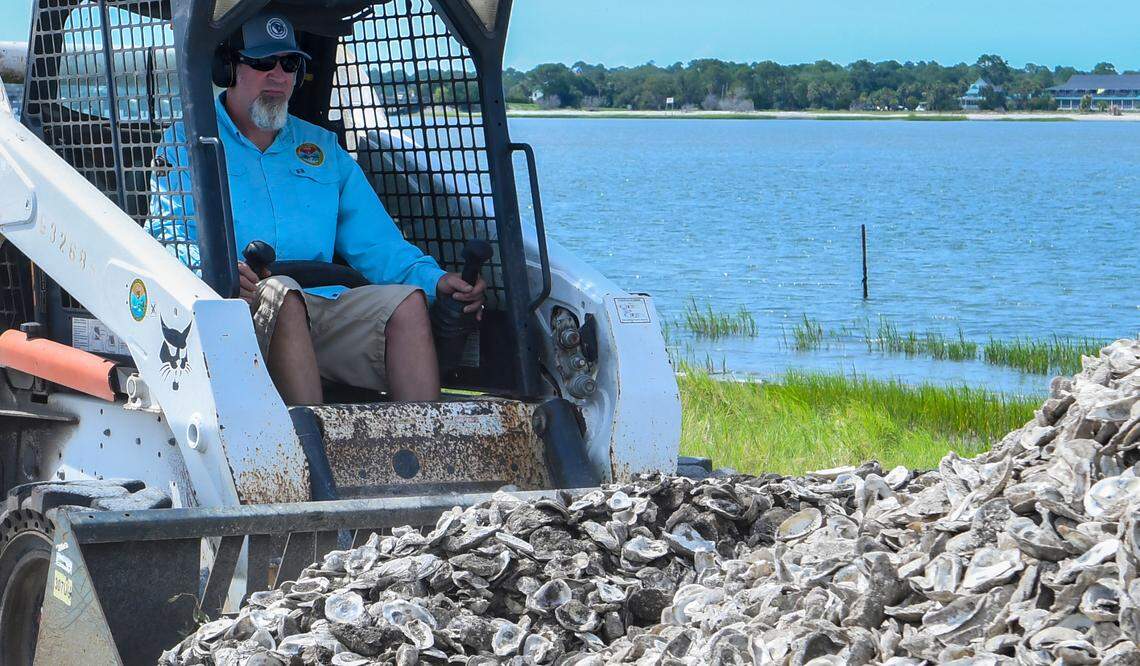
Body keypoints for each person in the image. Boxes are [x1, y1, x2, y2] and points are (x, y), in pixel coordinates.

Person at [148, 10, 485, 405]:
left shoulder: (323, 149)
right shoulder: (186, 143)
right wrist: (214, 273)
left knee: (407, 303)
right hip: (237, 316)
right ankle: (312, 453)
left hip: (325, 307)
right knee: (285, 295)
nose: (279, 75)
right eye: (262, 62)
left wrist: (436, 281)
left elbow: (379, 246)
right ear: (228, 67)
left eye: (289, 63)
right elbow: (166, 235)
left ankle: (430, 450)